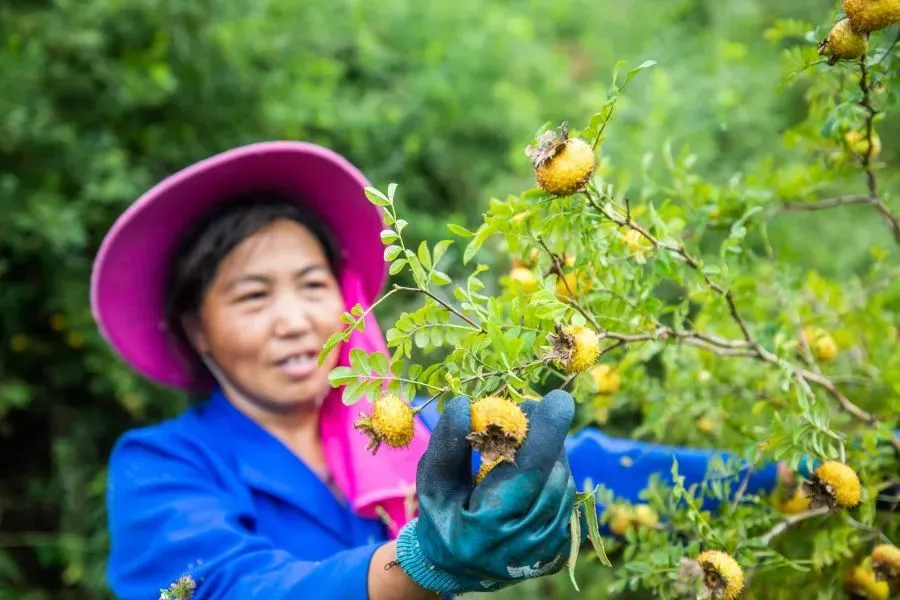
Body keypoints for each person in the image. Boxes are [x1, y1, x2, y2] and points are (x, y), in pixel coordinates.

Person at [94, 141, 787, 600]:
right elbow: (230, 587)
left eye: (312, 284)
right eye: (252, 295)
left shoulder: (414, 429)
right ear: (195, 328)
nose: (296, 319)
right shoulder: (161, 467)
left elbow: (590, 473)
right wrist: (425, 561)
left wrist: (781, 479)